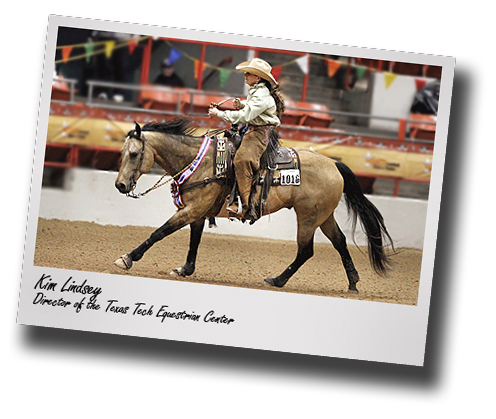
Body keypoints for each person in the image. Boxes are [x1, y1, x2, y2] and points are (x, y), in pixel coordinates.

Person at [208, 58, 285, 219]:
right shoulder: (257, 91)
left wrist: (219, 114)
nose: (245, 75)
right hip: (252, 131)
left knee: (242, 160)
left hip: (259, 134)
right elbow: (250, 109)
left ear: (257, 77)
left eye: (248, 73)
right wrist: (242, 104)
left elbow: (246, 115)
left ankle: (248, 206)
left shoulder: (261, 93)